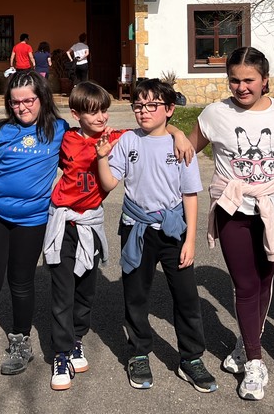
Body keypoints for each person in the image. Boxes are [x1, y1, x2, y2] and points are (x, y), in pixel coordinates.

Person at [43, 81, 194, 391]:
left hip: (91, 222)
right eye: (92, 112)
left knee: (86, 289)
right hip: (63, 220)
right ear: (76, 115)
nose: (101, 117)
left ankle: (77, 339)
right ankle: (62, 352)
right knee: (63, 290)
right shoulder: (66, 138)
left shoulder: (117, 138)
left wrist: (179, 132)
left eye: (104, 111)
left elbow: (154, 129)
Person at [187, 47, 274, 401]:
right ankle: (254, 360)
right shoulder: (215, 113)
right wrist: (170, 134)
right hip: (232, 207)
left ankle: (246, 339)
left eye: (249, 80)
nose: (241, 87)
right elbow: (186, 148)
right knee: (246, 284)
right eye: (234, 80)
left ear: (265, 80)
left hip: (273, 205)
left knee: (266, 278)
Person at [93, 78, 218, 394]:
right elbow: (109, 183)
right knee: (135, 295)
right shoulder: (128, 141)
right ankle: (138, 352)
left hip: (174, 230)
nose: (144, 111)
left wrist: (190, 240)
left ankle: (191, 358)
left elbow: (190, 194)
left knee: (186, 297)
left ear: (170, 109)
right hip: (136, 228)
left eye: (152, 105)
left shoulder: (181, 146)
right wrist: (101, 157)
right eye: (138, 105)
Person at [0, 71, 69, 389]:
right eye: (15, 102)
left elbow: (86, 148)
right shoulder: (0, 131)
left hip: (32, 221)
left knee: (21, 283)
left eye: (28, 100)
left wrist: (172, 131)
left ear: (42, 98)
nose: (22, 107)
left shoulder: (59, 130)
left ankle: (21, 342)